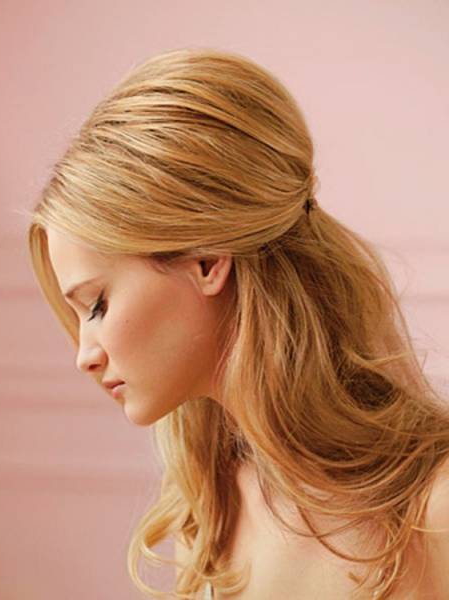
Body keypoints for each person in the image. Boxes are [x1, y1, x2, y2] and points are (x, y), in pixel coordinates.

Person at [27, 47, 449, 599]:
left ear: (207, 262)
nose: (85, 354)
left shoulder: (434, 510)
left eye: (98, 305)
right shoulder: (207, 520)